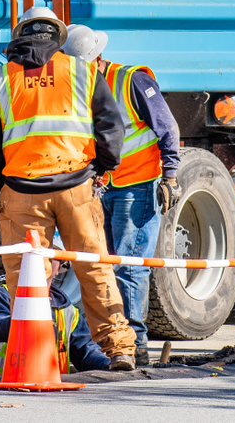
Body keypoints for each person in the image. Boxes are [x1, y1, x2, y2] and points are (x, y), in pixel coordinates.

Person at [0, 6, 137, 370]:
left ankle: (37, 352)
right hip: (76, 187)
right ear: (57, 36)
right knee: (94, 268)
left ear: (22, 33)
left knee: (26, 278)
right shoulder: (82, 71)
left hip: (21, 190)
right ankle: (119, 349)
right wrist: (101, 167)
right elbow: (111, 127)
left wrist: (2, 180)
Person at [64, 24, 180, 366]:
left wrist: (170, 175)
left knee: (129, 267)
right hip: (104, 189)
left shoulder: (131, 81)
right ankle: (106, 342)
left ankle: (136, 344)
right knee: (101, 267)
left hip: (138, 187)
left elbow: (167, 127)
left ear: (97, 58)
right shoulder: (79, 86)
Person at [0, 260, 111, 375]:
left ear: (59, 268)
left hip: (48, 395)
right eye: (40, 256)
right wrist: (27, 319)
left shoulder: (67, 311)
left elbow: (85, 351)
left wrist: (106, 365)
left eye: (50, 257)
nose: (42, 262)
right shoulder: (1, 295)